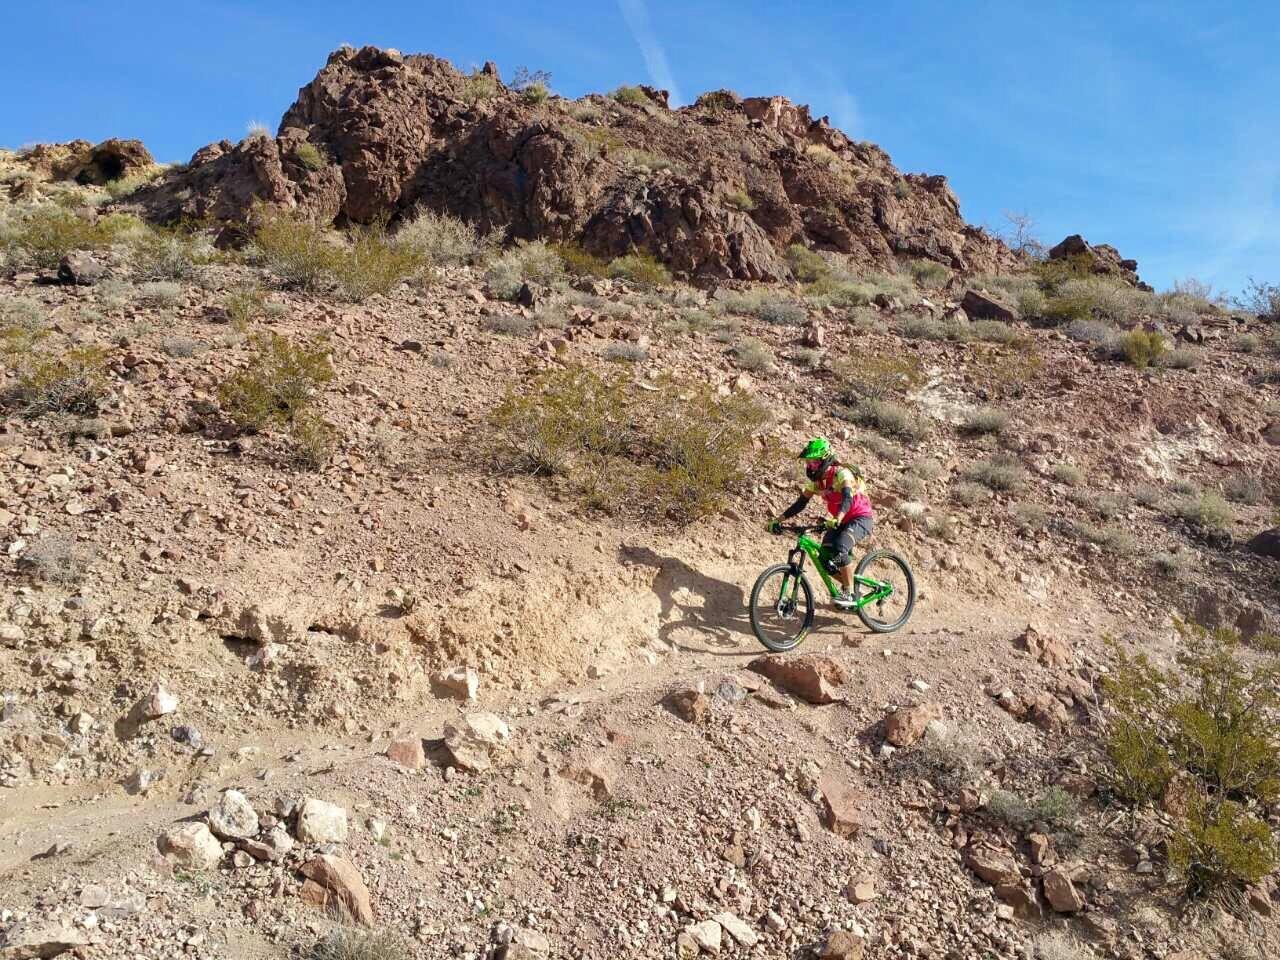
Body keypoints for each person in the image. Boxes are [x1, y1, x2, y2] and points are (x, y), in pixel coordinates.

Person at [766, 437, 874, 609]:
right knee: (825, 560)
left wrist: (837, 518)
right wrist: (779, 520)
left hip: (859, 517)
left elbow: (847, 497)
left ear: (825, 460)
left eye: (814, 462)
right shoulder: (817, 483)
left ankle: (850, 592)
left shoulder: (842, 473)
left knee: (840, 547)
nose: (810, 467)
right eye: (808, 463)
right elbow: (801, 503)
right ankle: (852, 584)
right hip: (839, 520)